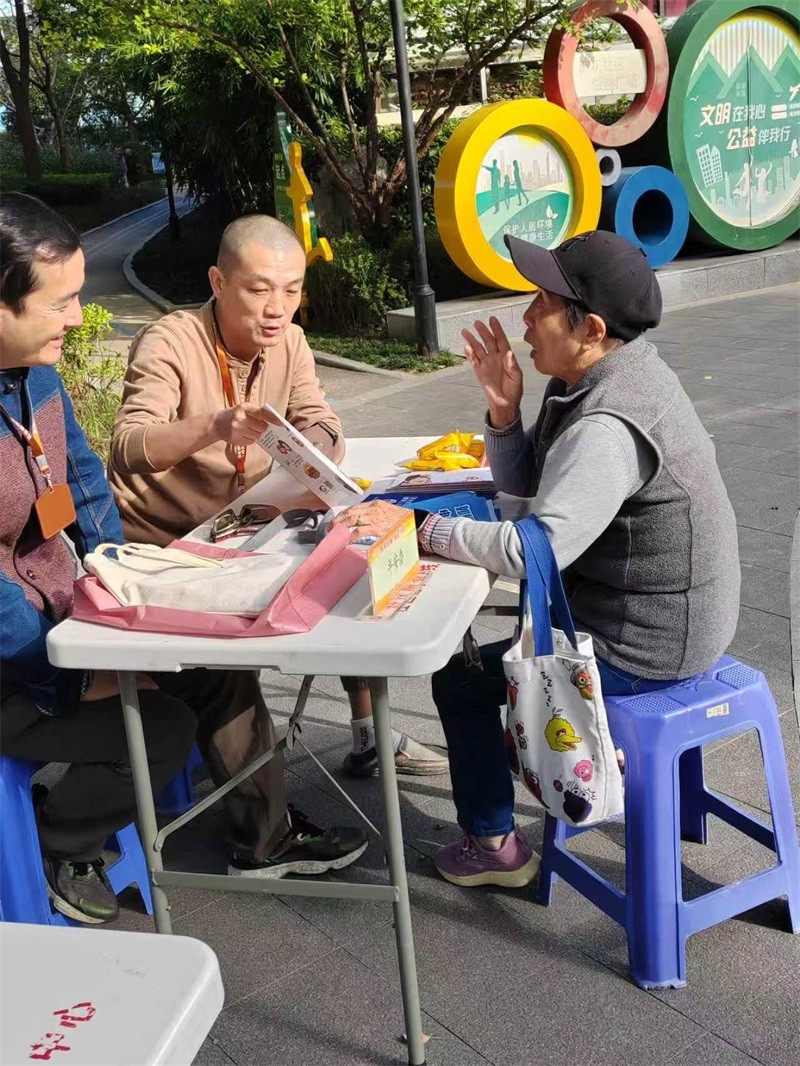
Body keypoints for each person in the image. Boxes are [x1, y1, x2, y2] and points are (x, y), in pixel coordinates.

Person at [336, 231, 741, 890]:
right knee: (480, 659)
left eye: (543, 303)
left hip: (649, 641)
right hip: (650, 612)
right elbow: (532, 487)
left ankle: (495, 846)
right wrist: (504, 411)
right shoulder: (595, 376)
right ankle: (513, 774)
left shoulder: (606, 426)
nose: (525, 316)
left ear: (591, 330)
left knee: (459, 682)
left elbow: (530, 548)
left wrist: (419, 529)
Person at [108, 214, 446, 779]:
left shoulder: (290, 340)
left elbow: (320, 419)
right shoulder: (170, 341)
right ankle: (264, 815)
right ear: (218, 282)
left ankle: (369, 732)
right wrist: (214, 426)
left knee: (353, 558)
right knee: (229, 677)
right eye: (259, 289)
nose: (277, 309)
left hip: (250, 528)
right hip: (172, 547)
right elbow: (127, 447)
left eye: (291, 291)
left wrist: (311, 451)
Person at [0, 192, 194, 925]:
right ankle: (58, 843)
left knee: (202, 672)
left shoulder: (34, 373)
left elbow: (82, 480)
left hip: (59, 625)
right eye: (61, 303)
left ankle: (256, 826)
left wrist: (121, 576)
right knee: (163, 728)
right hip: (17, 667)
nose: (79, 319)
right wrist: (72, 673)